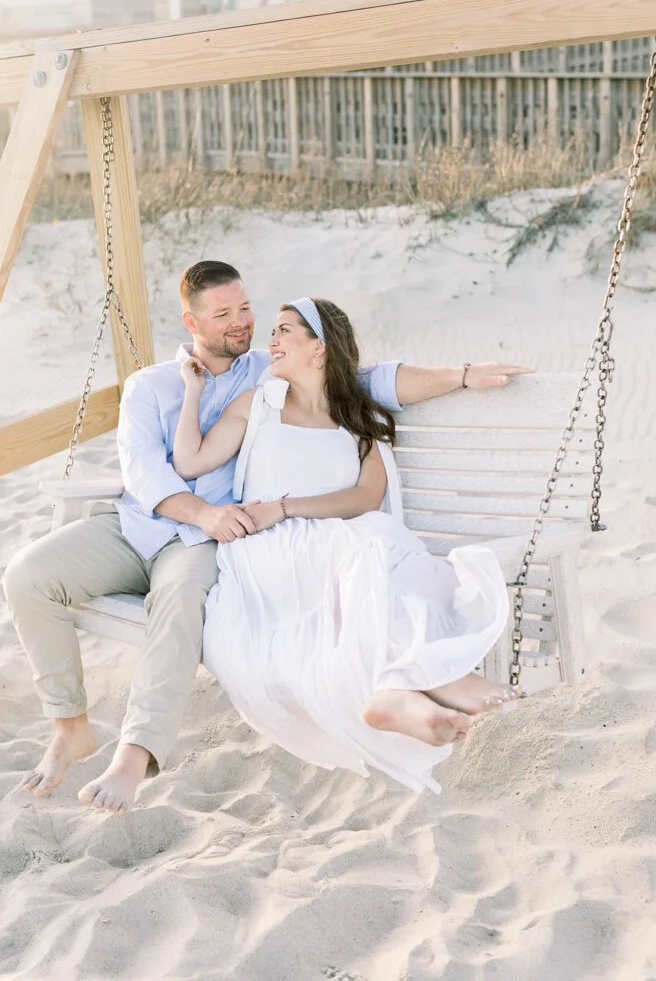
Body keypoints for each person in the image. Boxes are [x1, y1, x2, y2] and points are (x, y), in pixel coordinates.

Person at [3, 261, 532, 813]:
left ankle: (134, 757)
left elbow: (365, 379)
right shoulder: (151, 385)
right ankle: (69, 724)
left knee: (181, 603)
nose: (242, 324)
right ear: (191, 321)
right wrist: (202, 508)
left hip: (210, 541)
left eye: (246, 309)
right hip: (142, 523)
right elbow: (145, 473)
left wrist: (462, 375)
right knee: (27, 575)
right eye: (224, 314)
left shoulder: (269, 373)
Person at [172, 297, 520, 794]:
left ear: (318, 348)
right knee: (370, 558)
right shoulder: (259, 405)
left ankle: (400, 698)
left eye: (284, 330)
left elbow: (366, 496)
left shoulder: (356, 416)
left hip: (337, 534)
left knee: (379, 554)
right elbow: (189, 461)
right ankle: (447, 685)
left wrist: (288, 504)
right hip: (272, 550)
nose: (271, 340)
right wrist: (192, 389)